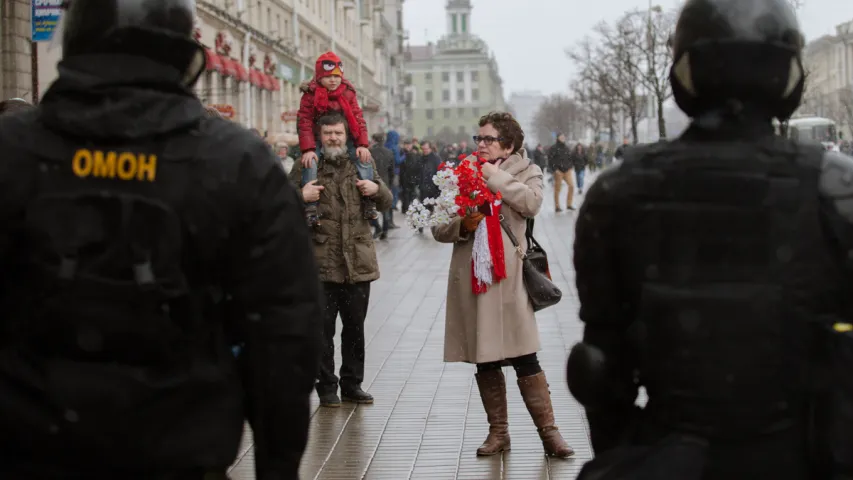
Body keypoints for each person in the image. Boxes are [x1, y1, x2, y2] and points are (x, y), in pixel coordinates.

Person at [0, 0, 323, 478]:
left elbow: (284, 325)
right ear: (183, 52)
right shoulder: (236, 161)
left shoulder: (12, 151)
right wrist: (278, 465)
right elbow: (283, 331)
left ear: (74, 40)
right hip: (178, 443)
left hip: (30, 443)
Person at [567, 0, 853, 478]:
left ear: (686, 69)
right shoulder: (835, 187)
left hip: (671, 452)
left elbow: (599, 366)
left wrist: (631, 455)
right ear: (787, 72)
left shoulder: (619, 190)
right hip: (803, 454)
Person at [432, 112, 574, 459]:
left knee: (526, 356)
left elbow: (532, 203)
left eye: (488, 139)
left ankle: (550, 433)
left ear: (508, 145)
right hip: (475, 280)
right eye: (478, 138)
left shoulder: (529, 170)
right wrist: (463, 225)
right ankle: (499, 433)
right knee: (486, 359)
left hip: (510, 280)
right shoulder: (461, 172)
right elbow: (438, 226)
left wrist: (495, 178)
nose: (480, 145)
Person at [289, 112, 393, 408]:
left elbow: (385, 202)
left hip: (357, 262)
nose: (333, 138)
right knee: (322, 330)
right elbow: (280, 205)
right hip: (320, 263)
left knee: (355, 329)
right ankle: (326, 387)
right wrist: (301, 195)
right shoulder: (307, 165)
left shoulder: (362, 164)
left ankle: (352, 384)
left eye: (338, 133)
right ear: (319, 137)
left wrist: (377, 189)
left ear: (346, 136)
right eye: (327, 133)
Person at [297, 51, 375, 227]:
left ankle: (368, 198)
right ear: (319, 77)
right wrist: (308, 148)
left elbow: (358, 118)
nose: (333, 80)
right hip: (318, 137)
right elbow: (305, 122)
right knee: (310, 162)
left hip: (346, 135)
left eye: (336, 76)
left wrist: (362, 144)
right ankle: (311, 206)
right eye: (328, 76)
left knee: (364, 158)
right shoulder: (310, 94)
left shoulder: (348, 93)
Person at [369, 132, 395, 239]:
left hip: (372, 181)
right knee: (385, 208)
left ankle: (377, 227)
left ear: (374, 140)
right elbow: (392, 171)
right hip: (385, 182)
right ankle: (385, 230)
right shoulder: (389, 152)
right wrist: (390, 184)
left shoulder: (370, 152)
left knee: (370, 207)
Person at [547, 133, 574, 211]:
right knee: (557, 189)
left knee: (571, 186)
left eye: (564, 137)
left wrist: (570, 166)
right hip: (558, 171)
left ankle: (569, 204)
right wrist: (555, 170)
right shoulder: (553, 148)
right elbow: (550, 160)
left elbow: (570, 157)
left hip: (567, 170)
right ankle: (557, 207)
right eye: (561, 137)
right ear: (558, 138)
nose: (563, 138)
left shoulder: (566, 148)